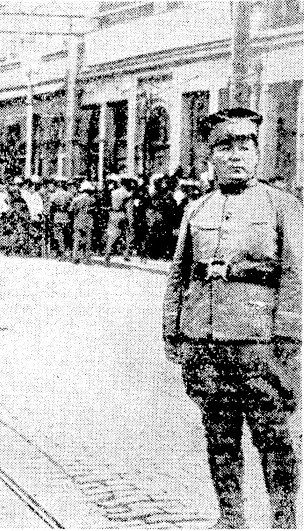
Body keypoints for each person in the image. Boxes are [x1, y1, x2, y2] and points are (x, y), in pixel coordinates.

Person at [163, 108, 301, 528]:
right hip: (205, 343)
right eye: (225, 147)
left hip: (260, 344)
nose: (236, 155)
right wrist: (173, 332)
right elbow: (179, 274)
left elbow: (297, 274)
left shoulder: (283, 206)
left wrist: (288, 335)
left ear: (257, 153)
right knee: (219, 435)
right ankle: (230, 518)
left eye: (245, 146)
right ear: (209, 155)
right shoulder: (197, 209)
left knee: (273, 436)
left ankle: (283, 519)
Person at [104, 175, 135, 263]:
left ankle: (107, 253)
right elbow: (129, 209)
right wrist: (131, 221)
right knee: (128, 234)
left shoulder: (113, 192)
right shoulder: (128, 194)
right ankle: (126, 254)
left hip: (113, 214)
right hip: (122, 214)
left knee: (112, 235)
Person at [70, 181, 96, 263]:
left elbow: (71, 210)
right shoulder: (92, 200)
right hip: (88, 220)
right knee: (88, 240)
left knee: (77, 239)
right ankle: (87, 258)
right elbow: (95, 210)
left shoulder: (76, 199)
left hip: (78, 219)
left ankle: (75, 257)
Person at [47, 177, 73, 259]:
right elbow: (71, 207)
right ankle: (66, 251)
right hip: (66, 216)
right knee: (66, 235)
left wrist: (50, 217)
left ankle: (61, 251)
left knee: (59, 235)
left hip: (57, 216)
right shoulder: (69, 194)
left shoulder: (53, 195)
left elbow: (50, 207)